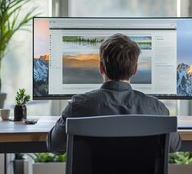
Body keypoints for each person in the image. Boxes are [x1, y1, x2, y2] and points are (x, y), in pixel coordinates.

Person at [46, 33, 181, 153]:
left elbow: (54, 145)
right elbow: (174, 146)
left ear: (101, 68)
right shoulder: (157, 109)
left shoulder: (78, 106)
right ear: (135, 69)